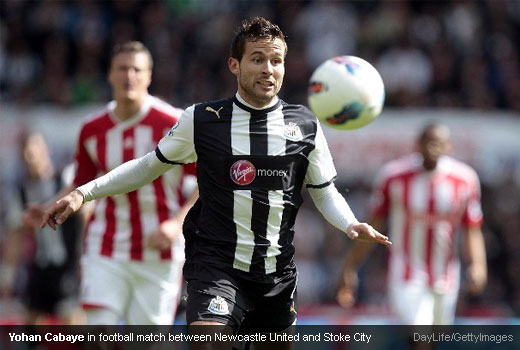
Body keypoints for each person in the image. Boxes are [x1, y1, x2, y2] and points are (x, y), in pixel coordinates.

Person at [42, 17, 390, 347]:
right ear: (234, 65)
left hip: (275, 272)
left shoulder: (305, 126)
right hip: (215, 266)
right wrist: (83, 194)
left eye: (276, 61)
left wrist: (350, 224)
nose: (268, 69)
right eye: (257, 59)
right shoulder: (203, 120)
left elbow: (325, 192)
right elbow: (148, 167)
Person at [41, 41, 197, 325]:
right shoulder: (92, 128)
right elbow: (80, 183)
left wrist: (177, 223)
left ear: (149, 76)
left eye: (137, 69)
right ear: (110, 74)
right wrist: (46, 206)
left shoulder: (174, 123)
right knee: (99, 335)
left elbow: (203, 183)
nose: (129, 76)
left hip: (158, 250)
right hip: (105, 246)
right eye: (122, 69)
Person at [337, 123, 487, 325]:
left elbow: (472, 228)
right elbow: (374, 225)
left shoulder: (465, 180)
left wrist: (478, 265)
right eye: (428, 142)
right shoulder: (394, 176)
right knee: (418, 333)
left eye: (438, 143)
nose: (433, 148)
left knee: (436, 333)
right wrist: (350, 266)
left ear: (448, 147)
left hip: (446, 273)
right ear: (418, 145)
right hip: (406, 272)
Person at [1, 132, 84, 325]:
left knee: (73, 323)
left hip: (67, 266)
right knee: (31, 325)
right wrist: (7, 276)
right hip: (40, 267)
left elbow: (85, 216)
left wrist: (83, 257)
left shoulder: (65, 180)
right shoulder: (20, 192)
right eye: (26, 153)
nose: (31, 157)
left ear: (46, 150)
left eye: (35, 151)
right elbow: (15, 234)